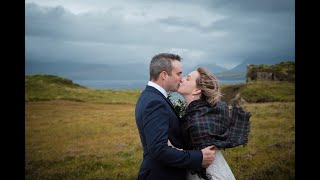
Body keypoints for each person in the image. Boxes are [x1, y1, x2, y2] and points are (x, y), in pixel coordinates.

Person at [135, 53, 216, 180]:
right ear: (164, 75)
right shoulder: (155, 102)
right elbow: (159, 149)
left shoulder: (150, 96)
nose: (181, 78)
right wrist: (199, 157)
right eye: (178, 74)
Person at [175, 67, 250, 180]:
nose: (182, 79)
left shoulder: (198, 121)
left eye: (188, 78)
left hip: (208, 175)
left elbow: (203, 159)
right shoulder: (198, 112)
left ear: (197, 90)